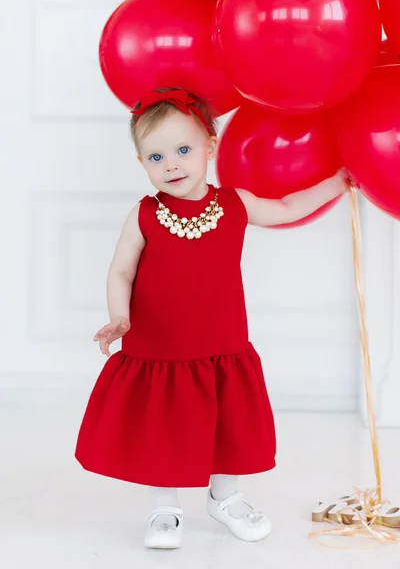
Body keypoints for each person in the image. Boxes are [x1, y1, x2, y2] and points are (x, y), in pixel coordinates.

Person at [75, 87, 349, 549]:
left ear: (210, 148)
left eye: (183, 150)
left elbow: (286, 207)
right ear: (142, 163)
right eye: (156, 156)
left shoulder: (235, 204)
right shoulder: (144, 215)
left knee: (229, 423)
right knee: (164, 427)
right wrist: (118, 317)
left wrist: (338, 182)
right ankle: (165, 506)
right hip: (160, 348)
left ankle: (225, 497)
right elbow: (120, 269)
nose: (172, 165)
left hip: (221, 345)